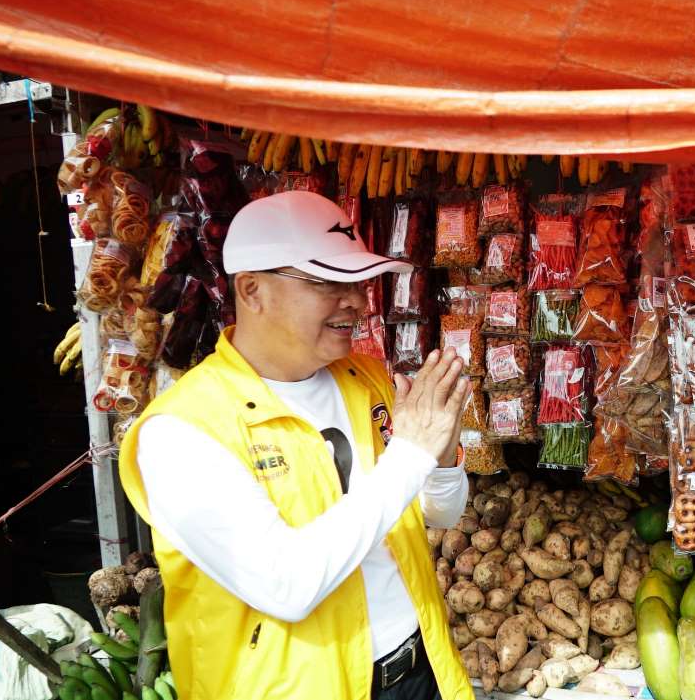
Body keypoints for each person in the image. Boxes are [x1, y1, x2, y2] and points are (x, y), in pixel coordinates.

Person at [118, 191, 475, 700]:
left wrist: (439, 459)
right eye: (327, 281)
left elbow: (437, 515)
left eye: (357, 281)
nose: (356, 299)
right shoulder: (181, 432)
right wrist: (412, 454)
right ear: (252, 289)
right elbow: (286, 585)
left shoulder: (366, 379)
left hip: (420, 669)